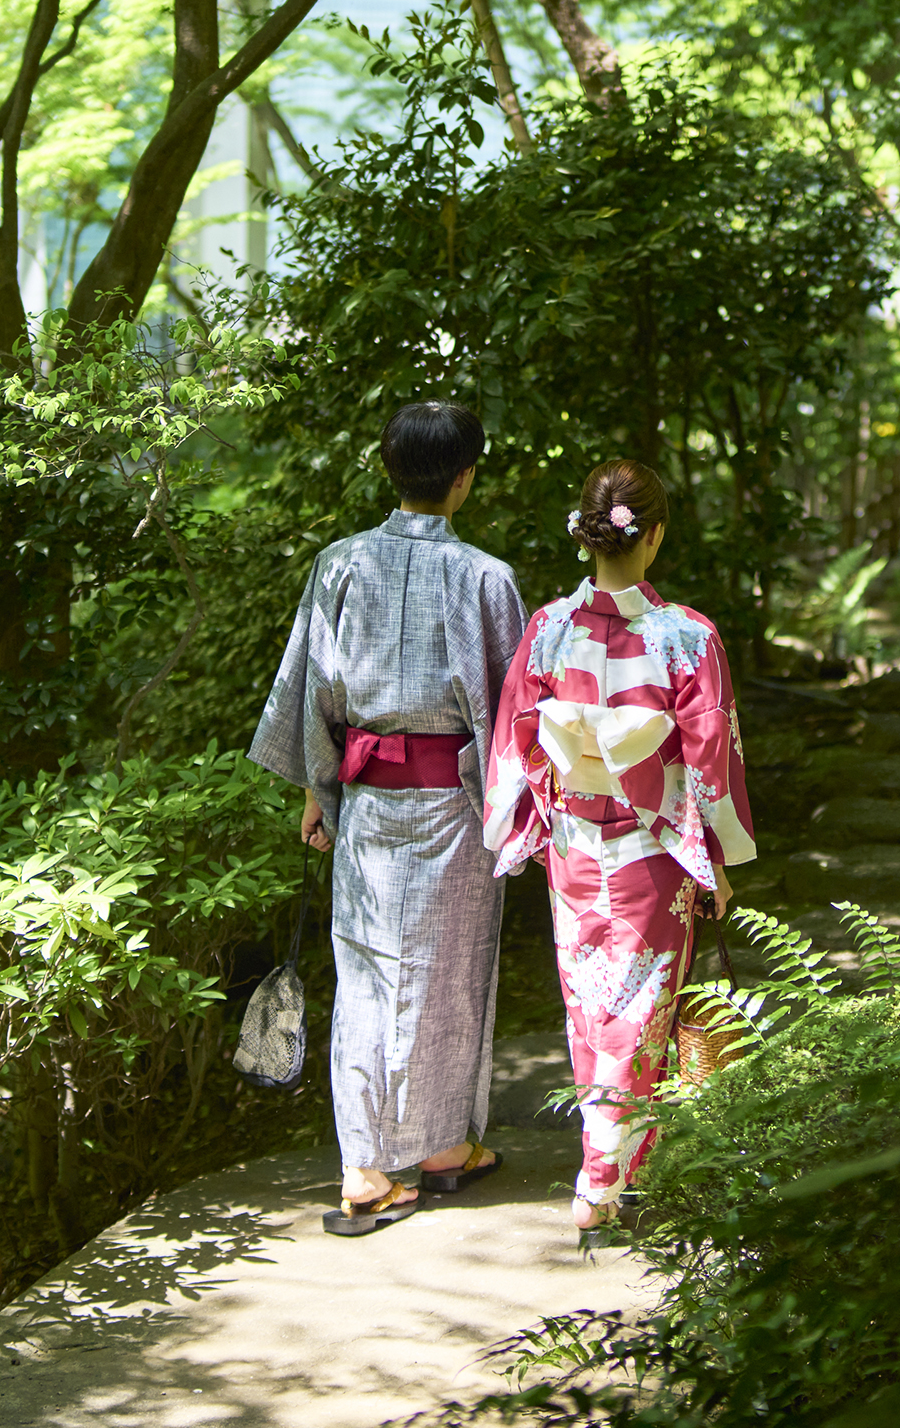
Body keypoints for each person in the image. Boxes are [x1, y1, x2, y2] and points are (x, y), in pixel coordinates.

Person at [249, 402, 528, 1236]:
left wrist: (316, 791)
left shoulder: (339, 566)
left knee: (370, 973)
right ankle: (437, 1149)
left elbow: (313, 697)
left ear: (387, 466)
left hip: (369, 807)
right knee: (451, 969)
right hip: (457, 804)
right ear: (466, 477)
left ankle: (371, 1164)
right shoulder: (488, 577)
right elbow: (516, 716)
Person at [483, 458, 755, 1230]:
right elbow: (709, 760)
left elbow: (516, 742)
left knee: (591, 1000)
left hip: (573, 844)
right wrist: (719, 857)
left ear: (588, 536)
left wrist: (526, 823)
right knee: (639, 1007)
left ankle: (626, 1157)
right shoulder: (687, 637)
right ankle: (602, 1174)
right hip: (654, 847)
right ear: (655, 536)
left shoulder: (547, 629)